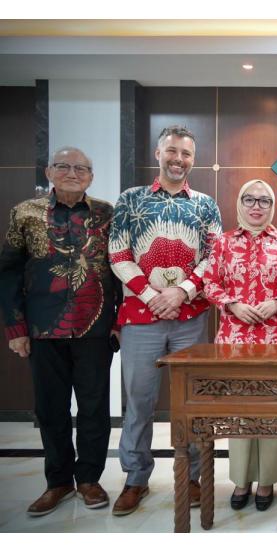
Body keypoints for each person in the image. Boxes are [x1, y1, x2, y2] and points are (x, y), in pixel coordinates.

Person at [108, 125, 222, 516]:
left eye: (186, 153)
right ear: (158, 153)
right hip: (141, 317)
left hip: (190, 316)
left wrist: (183, 292)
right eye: (171, 151)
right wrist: (154, 296)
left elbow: (213, 258)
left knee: (189, 402)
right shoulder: (131, 200)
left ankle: (190, 476)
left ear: (194, 159)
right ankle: (135, 478)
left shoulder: (206, 204)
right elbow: (118, 255)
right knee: (139, 401)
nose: (178, 159)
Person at [0, 147, 119, 516]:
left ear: (91, 175)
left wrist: (118, 322)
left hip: (96, 328)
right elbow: (8, 271)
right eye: (64, 166)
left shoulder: (106, 213)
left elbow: (119, 268)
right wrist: (15, 327)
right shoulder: (26, 212)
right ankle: (57, 482)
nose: (73, 172)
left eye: (81, 167)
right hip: (43, 328)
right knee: (50, 408)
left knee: (95, 407)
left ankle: (89, 479)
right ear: (49, 171)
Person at [203, 179, 277, 512]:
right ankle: (241, 480)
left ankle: (267, 481)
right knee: (241, 412)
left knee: (274, 411)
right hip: (234, 340)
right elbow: (209, 283)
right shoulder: (221, 243)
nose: (256, 206)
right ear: (240, 204)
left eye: (264, 201)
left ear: (272, 206)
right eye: (249, 199)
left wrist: (276, 302)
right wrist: (232, 304)